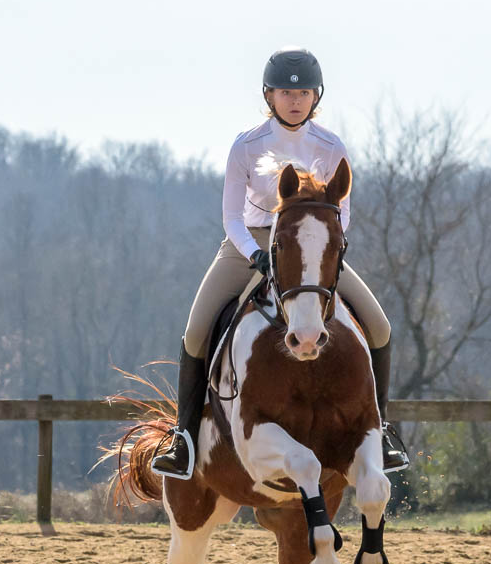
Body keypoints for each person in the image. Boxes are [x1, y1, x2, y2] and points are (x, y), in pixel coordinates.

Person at [152, 46, 410, 479]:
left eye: (305, 93)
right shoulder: (247, 145)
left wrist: (325, 249)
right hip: (248, 243)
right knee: (196, 333)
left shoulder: (330, 145)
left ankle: (380, 432)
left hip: (310, 248)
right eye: (286, 93)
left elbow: (341, 212)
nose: (295, 101)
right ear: (269, 96)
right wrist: (256, 254)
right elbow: (232, 217)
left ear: (316, 97)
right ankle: (184, 439)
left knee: (380, 327)